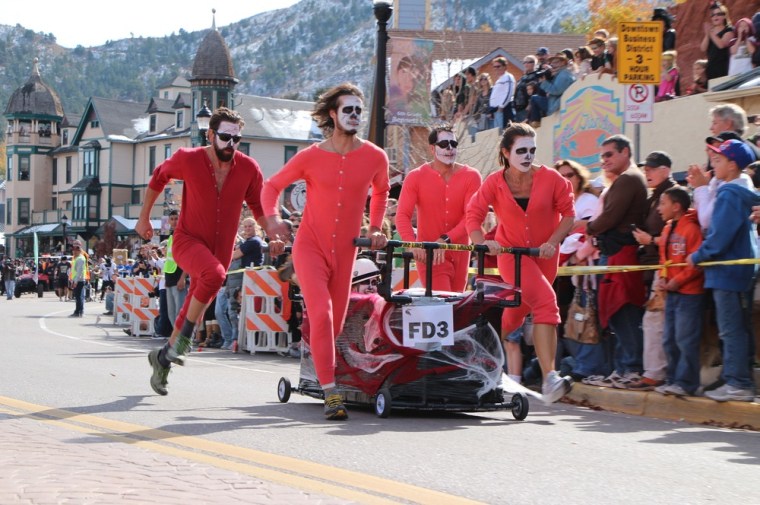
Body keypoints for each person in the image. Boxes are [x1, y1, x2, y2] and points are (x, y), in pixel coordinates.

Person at [260, 83, 389, 420]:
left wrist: (375, 227)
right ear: (333, 114)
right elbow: (271, 186)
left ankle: (321, 369)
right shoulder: (311, 156)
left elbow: (381, 191)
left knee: (332, 326)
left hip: (346, 251)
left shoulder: (375, 156)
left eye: (359, 110)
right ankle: (332, 393)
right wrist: (272, 220)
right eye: (348, 109)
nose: (354, 115)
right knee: (321, 314)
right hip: (310, 246)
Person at [136, 107, 270, 397]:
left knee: (194, 301)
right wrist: (144, 217)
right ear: (210, 135)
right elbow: (159, 177)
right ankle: (182, 343)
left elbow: (259, 206)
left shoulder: (248, 168)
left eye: (237, 139)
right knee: (213, 275)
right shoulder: (189, 159)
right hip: (188, 240)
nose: (231, 145)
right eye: (225, 137)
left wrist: (272, 229)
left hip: (220, 249)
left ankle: (162, 361)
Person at [466, 123, 575, 404]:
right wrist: (482, 241)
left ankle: (479, 353)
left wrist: (553, 241)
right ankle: (550, 377)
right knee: (546, 303)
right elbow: (473, 215)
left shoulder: (552, 179)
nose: (528, 156)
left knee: (517, 313)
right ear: (506, 152)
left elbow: (568, 215)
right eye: (521, 150)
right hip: (511, 256)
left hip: (545, 256)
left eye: (532, 150)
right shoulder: (494, 182)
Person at [688, 140, 760, 402]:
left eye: (718, 161)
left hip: (728, 269)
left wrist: (698, 255)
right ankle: (739, 380)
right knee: (737, 328)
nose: (713, 165)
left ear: (732, 165)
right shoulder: (739, 190)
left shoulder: (729, 193)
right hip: (736, 268)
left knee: (731, 329)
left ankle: (738, 383)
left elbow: (719, 237)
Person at [585, 135, 648, 388]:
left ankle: (631, 367)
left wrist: (588, 226)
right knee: (616, 314)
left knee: (623, 311)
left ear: (625, 152)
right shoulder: (623, 180)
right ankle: (623, 367)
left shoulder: (629, 178)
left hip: (622, 254)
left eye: (609, 154)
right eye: (602, 156)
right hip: (615, 253)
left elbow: (609, 217)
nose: (605, 160)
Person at [395, 125, 482, 292]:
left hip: (460, 252)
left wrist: (446, 240)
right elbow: (402, 215)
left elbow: (472, 217)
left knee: (456, 311)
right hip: (430, 255)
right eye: (444, 144)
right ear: (432, 148)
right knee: (443, 304)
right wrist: (413, 244)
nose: (449, 148)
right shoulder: (416, 176)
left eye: (453, 144)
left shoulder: (472, 176)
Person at [628, 152, 677, 391]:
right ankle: (656, 373)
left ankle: (656, 374)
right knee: (654, 322)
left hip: (666, 268)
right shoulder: (655, 196)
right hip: (654, 266)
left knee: (656, 322)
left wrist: (650, 240)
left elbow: (677, 236)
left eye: (652, 168)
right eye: (645, 168)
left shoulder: (672, 195)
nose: (646, 171)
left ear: (666, 170)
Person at [652, 186, 705, 397]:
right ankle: (673, 379)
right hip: (672, 292)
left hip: (689, 293)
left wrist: (677, 281)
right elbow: (664, 259)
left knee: (686, 338)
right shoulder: (667, 228)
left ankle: (687, 383)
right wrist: (664, 278)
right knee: (669, 338)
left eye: (663, 203)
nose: (658, 208)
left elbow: (696, 263)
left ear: (676, 206)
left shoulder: (691, 229)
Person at [223, 217, 265, 349]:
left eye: (250, 226)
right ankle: (235, 339)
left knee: (235, 310)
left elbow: (234, 256)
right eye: (245, 226)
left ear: (256, 227)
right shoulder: (248, 241)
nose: (247, 229)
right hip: (241, 278)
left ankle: (237, 340)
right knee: (232, 310)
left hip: (247, 280)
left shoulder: (253, 242)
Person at [162, 209, 188, 331]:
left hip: (179, 278)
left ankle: (182, 340)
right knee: (171, 313)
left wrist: (183, 278)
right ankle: (177, 339)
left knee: (180, 312)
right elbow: (170, 259)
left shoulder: (183, 235)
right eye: (172, 219)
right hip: (170, 278)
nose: (174, 221)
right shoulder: (171, 236)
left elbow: (187, 258)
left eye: (176, 218)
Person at [701, 2, 735, 81]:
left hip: (723, 67)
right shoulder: (711, 31)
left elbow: (721, 45)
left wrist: (710, 32)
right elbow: (703, 48)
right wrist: (707, 34)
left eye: (718, 14)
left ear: (724, 16)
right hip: (711, 68)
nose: (715, 16)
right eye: (713, 15)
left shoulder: (729, 30)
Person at [489, 57, 516, 131]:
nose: (496, 68)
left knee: (502, 133)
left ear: (504, 66)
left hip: (503, 110)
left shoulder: (508, 77)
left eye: (498, 66)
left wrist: (501, 106)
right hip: (496, 111)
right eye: (494, 67)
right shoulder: (499, 79)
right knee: (496, 133)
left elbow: (509, 93)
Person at [68, 244, 87, 318]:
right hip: (78, 279)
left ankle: (79, 311)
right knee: (78, 296)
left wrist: (75, 281)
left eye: (75, 250)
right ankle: (78, 311)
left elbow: (79, 271)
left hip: (79, 280)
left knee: (79, 296)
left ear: (79, 251)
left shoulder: (80, 259)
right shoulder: (77, 258)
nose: (74, 252)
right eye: (73, 250)